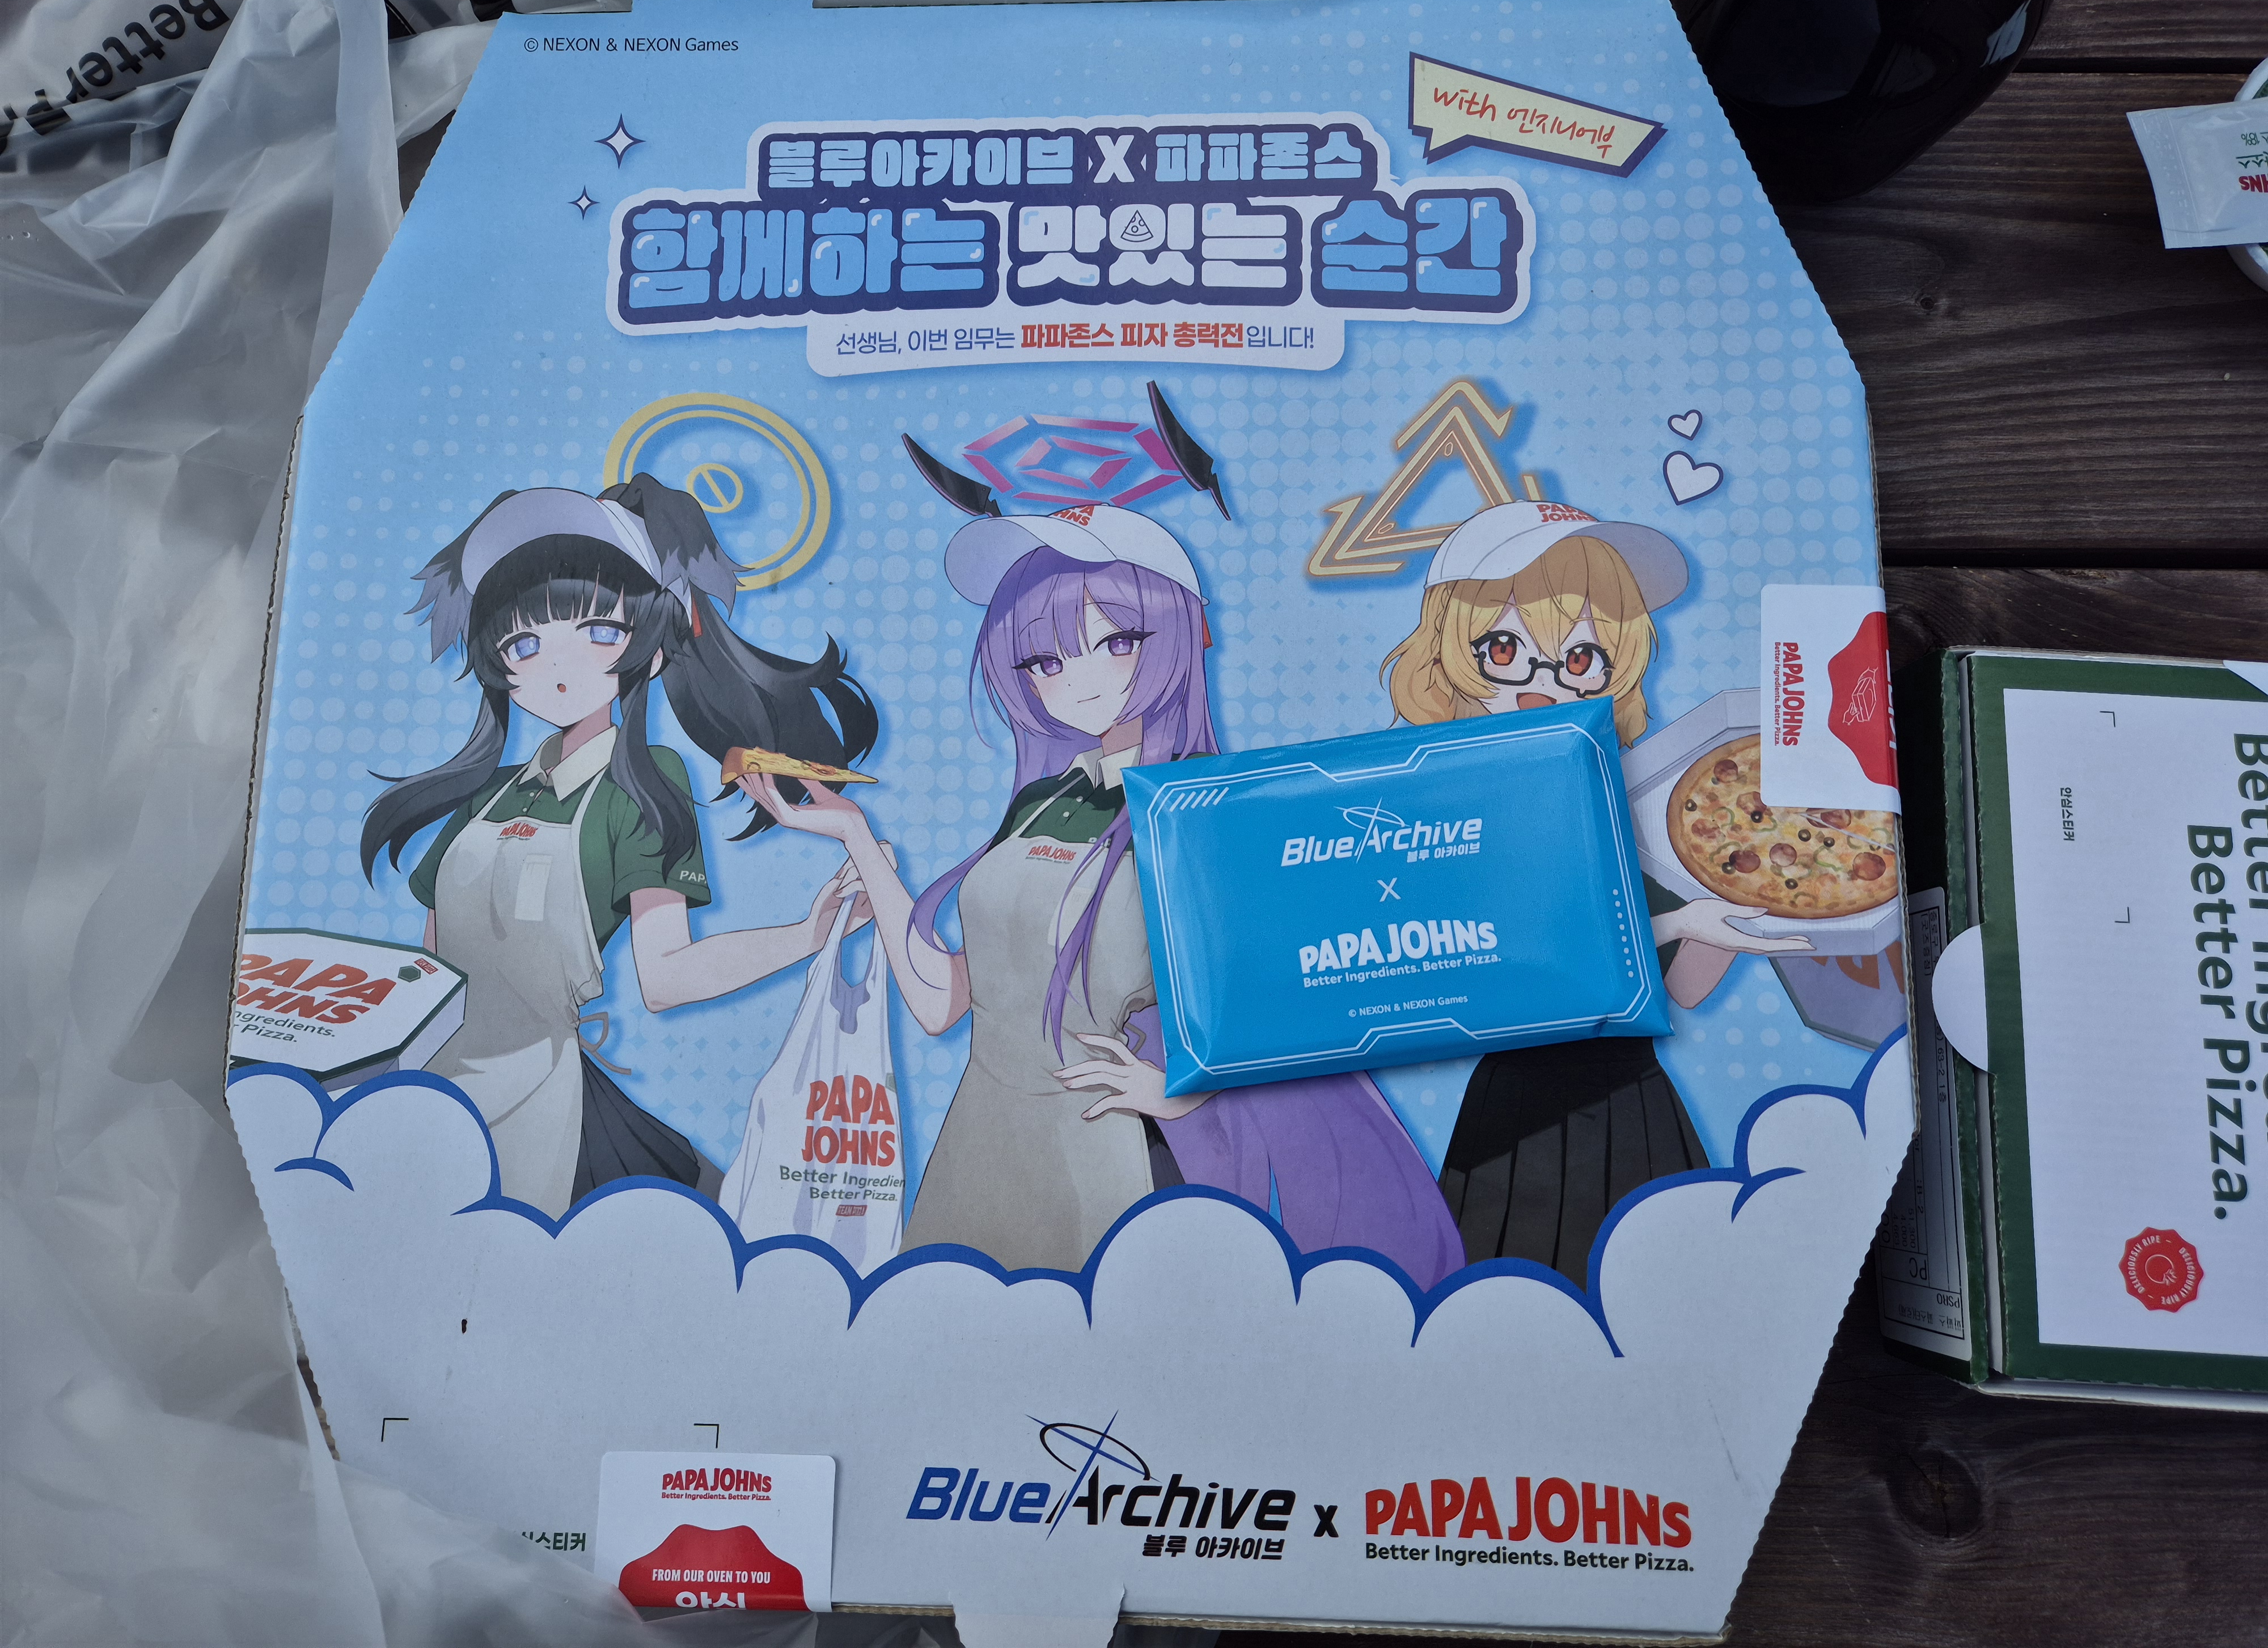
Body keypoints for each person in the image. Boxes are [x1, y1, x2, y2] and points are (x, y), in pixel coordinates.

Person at [743, 501, 1463, 1284]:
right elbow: (943, 1002)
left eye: (1116, 643)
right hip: (983, 1144)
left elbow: (1282, 997)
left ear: (1177, 638)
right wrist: (855, 835)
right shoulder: (1042, 804)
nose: (1076, 679)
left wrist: (1177, 1093)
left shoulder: (1204, 812)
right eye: (1045, 659)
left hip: (1106, 1152)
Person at [359, 476, 878, 1218]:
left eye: (599, 633)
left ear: (652, 649)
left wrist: (807, 935)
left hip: (540, 1101)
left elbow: (665, 978)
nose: (558, 667)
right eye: (525, 644)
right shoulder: (489, 795)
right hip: (427, 1090)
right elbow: (429, 965)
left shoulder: (641, 786)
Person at [1381, 498, 1810, 1283]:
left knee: (1668, 1295)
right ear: (1445, 661)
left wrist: (1729, 901)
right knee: (1508, 1297)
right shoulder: (1434, 814)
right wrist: (1679, 923)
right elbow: (1499, 967)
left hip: (1631, 1095)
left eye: (1580, 660)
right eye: (1505, 649)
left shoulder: (1613, 810)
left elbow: (1679, 990)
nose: (1543, 686)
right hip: (1522, 1111)